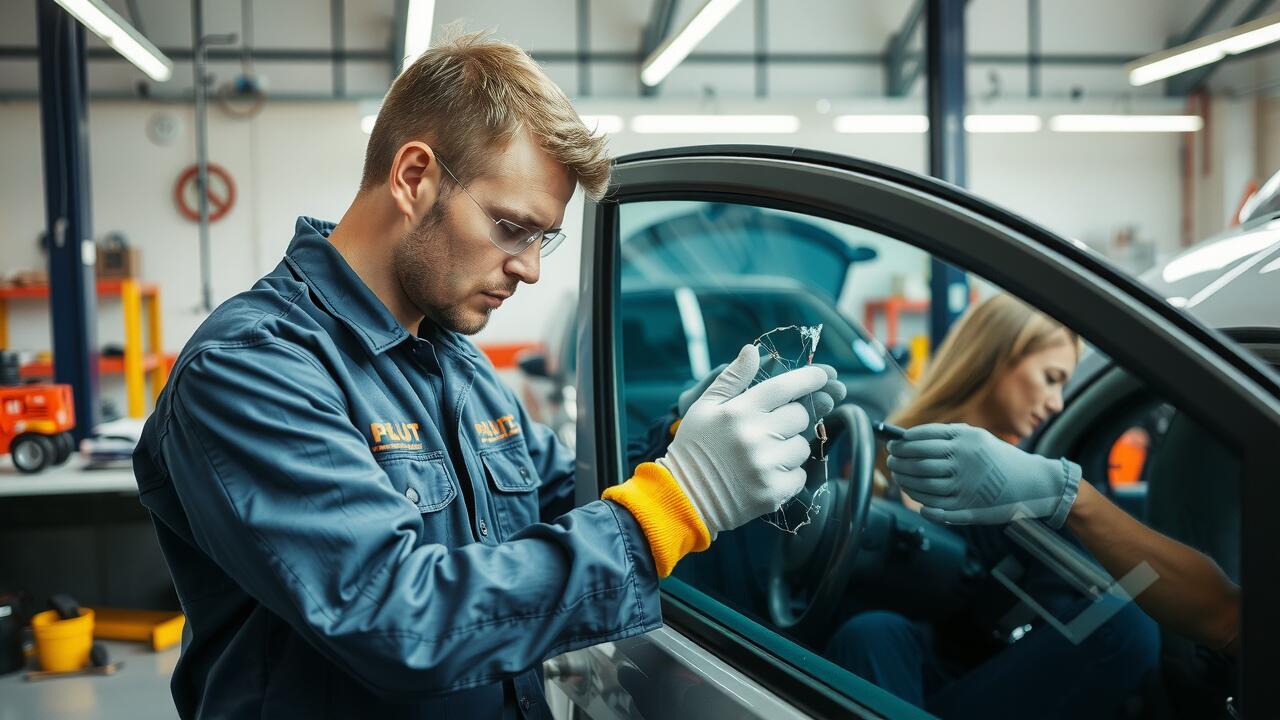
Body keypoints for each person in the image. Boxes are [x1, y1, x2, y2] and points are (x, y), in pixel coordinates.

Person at [132, 32, 843, 719]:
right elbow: (395, 617)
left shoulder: (453, 361)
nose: (530, 269)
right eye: (511, 227)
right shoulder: (254, 367)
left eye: (543, 238)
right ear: (414, 177)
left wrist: (685, 443)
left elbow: (565, 496)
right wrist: (677, 501)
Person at [827, 294, 1160, 719]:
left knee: (1127, 623)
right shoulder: (866, 453)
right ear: (996, 358)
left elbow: (1070, 619)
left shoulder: (1029, 491)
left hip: (979, 685)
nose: (1057, 402)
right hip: (885, 670)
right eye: (1051, 378)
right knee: (871, 634)